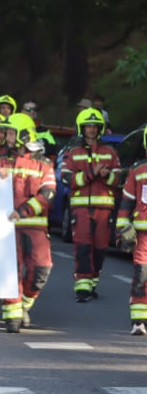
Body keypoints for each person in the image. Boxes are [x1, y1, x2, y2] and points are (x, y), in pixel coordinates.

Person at [0, 113, 56, 333]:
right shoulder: (0, 161)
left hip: (34, 225)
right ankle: (12, 315)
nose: (6, 136)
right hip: (6, 228)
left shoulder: (44, 163)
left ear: (22, 135)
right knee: (9, 271)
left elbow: (48, 193)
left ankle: (25, 304)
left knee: (42, 269)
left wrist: (23, 211)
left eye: (10, 132)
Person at [60, 108, 121, 302]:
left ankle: (92, 282)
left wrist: (107, 175)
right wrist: (91, 174)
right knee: (83, 246)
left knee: (101, 248)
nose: (92, 130)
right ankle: (82, 287)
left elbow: (119, 179)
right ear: (82, 128)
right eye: (88, 126)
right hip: (81, 209)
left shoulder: (110, 152)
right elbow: (66, 178)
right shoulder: (73, 152)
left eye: (95, 126)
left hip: (104, 209)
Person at [115, 126, 147, 335]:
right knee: (142, 275)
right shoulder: (138, 170)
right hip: (143, 236)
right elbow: (127, 202)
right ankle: (139, 321)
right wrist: (122, 229)